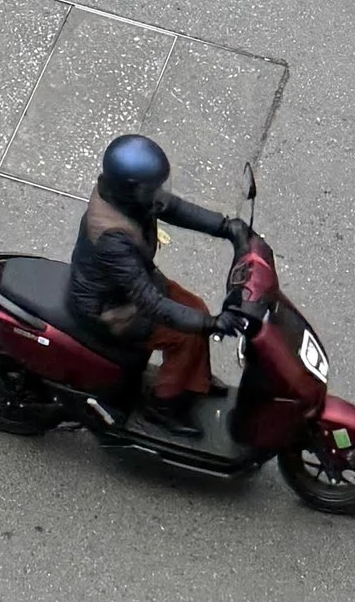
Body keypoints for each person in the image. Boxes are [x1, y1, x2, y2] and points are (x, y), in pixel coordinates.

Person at [65, 135, 252, 423]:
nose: (158, 194)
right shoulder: (111, 237)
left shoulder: (129, 197)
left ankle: (192, 382)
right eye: (152, 189)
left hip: (128, 289)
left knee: (196, 308)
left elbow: (174, 208)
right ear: (131, 188)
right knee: (188, 332)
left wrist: (227, 227)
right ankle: (163, 404)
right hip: (112, 310)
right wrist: (212, 323)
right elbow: (150, 303)